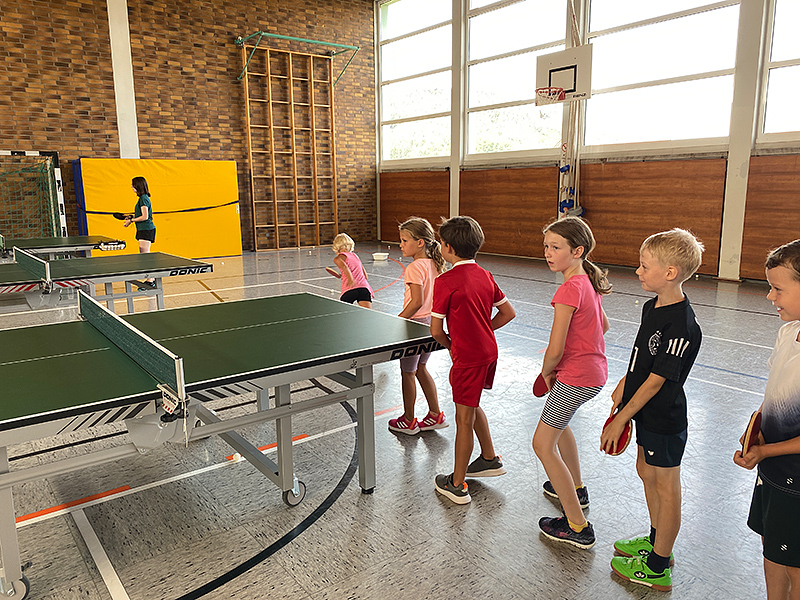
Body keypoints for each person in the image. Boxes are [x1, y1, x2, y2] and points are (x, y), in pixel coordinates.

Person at [601, 228, 704, 592]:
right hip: (643, 409)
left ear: (670, 272)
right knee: (646, 470)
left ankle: (659, 566)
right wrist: (623, 383)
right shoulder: (652, 306)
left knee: (666, 486)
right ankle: (657, 540)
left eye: (645, 266)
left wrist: (622, 418)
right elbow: (642, 358)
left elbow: (657, 381)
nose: (638, 271)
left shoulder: (682, 325)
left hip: (663, 418)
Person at [534, 216, 611, 550]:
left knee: (542, 445)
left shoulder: (568, 289)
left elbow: (555, 348)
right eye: (546, 246)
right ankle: (576, 488)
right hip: (594, 374)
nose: (548, 253)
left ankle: (577, 525)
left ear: (577, 251)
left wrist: (547, 370)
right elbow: (603, 326)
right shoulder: (588, 282)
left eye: (556, 247)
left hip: (574, 378)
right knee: (560, 426)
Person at [430, 216, 516, 504]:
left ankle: (456, 484)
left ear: (448, 248)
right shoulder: (485, 275)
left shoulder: (445, 281)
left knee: (463, 419)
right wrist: (482, 330)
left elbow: (436, 331)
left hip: (468, 357)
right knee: (472, 403)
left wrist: (453, 345)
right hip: (489, 352)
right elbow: (508, 313)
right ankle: (489, 458)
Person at [734, 239, 800, 600]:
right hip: (772, 468)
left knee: (796, 566)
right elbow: (774, 391)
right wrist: (754, 435)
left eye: (778, 289)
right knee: (773, 548)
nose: (770, 296)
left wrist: (767, 451)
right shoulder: (788, 331)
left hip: (795, 478)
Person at [388, 217, 448, 435]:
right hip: (432, 324)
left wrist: (397, 320)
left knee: (408, 373)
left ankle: (408, 420)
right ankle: (435, 414)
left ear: (420, 242)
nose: (401, 245)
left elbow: (416, 302)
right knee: (421, 368)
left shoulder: (414, 267)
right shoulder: (435, 264)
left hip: (414, 325)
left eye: (405, 241)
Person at [124, 176, 156, 289]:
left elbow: (145, 216)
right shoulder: (142, 198)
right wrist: (131, 217)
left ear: (138, 186)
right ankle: (150, 279)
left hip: (146, 229)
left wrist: (131, 220)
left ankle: (150, 281)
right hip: (143, 229)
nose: (131, 186)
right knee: (144, 255)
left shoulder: (143, 198)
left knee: (145, 256)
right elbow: (141, 215)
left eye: (133, 185)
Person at [332, 233, 373, 308]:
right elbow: (365, 276)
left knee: (343, 312)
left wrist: (350, 279)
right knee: (367, 312)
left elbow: (345, 267)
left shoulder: (338, 258)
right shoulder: (355, 256)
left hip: (349, 290)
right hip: (363, 288)